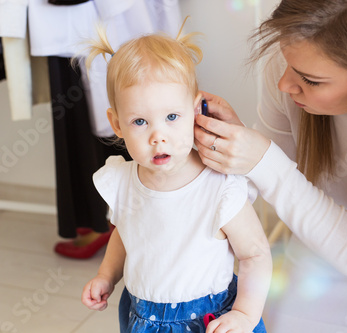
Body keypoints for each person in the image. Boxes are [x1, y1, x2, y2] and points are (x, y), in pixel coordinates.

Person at [194, 0, 347, 332]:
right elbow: (268, 168)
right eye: (286, 63)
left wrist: (263, 160)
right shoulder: (294, 59)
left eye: (311, 80)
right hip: (316, 245)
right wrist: (230, 149)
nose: (284, 83)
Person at [80, 21, 272, 333]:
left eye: (172, 117)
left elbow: (255, 254)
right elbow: (125, 234)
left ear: (195, 109)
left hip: (208, 319)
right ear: (117, 124)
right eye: (140, 121)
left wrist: (245, 315)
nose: (159, 136)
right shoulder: (122, 182)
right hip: (144, 316)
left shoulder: (218, 186)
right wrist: (106, 275)